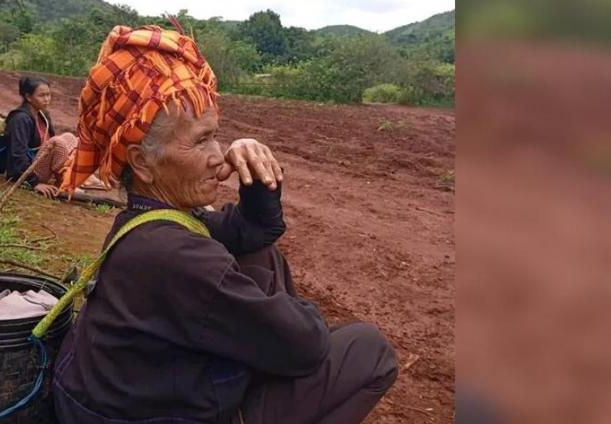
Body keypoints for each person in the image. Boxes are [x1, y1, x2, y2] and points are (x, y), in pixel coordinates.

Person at [52, 24, 398, 424]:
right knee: (369, 350)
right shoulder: (177, 255)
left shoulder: (146, 222)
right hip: (151, 415)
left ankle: (266, 340)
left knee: (261, 256)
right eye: (201, 141)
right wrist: (290, 313)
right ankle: (267, 347)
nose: (219, 156)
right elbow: (308, 345)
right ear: (142, 163)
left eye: (216, 136)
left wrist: (258, 179)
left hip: (120, 399)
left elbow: (254, 232)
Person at [4, 76, 77, 197]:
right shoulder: (20, 119)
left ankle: (70, 177)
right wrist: (35, 183)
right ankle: (65, 182)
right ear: (28, 97)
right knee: (57, 142)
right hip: (26, 172)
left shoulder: (43, 115)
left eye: (48, 95)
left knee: (69, 137)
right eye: (41, 95)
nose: (47, 99)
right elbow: (17, 154)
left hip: (40, 164)